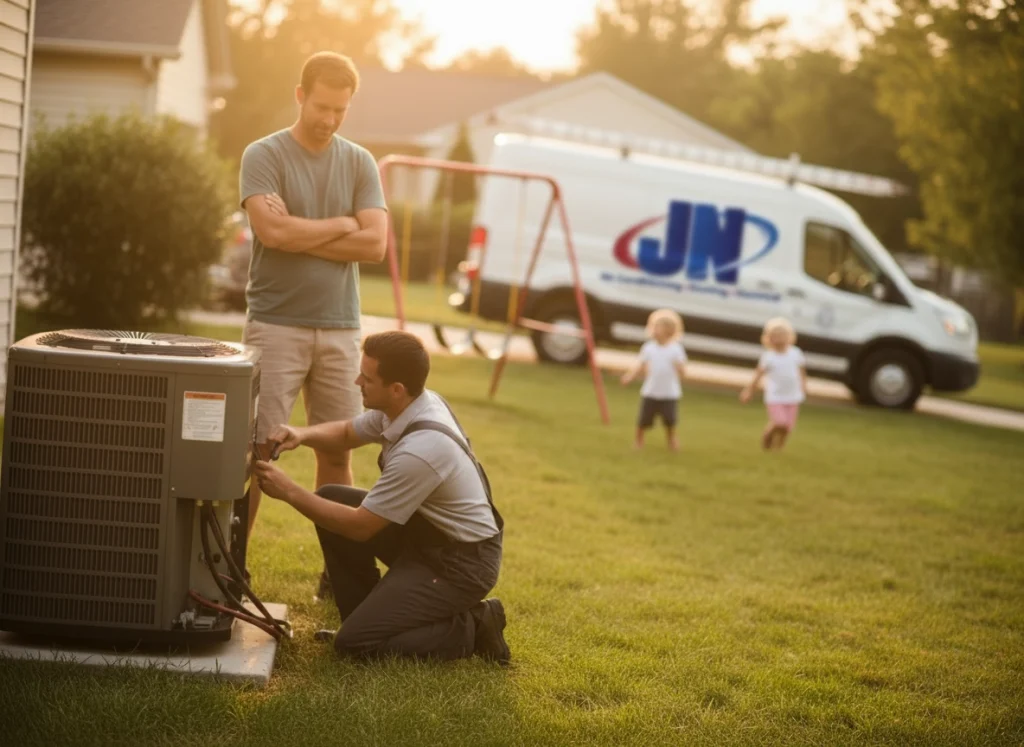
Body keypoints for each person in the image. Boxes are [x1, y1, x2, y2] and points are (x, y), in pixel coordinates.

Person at [252, 331, 510, 664]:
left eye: (367, 378)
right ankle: (367, 620)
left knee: (354, 645)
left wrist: (289, 491)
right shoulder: (408, 406)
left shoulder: (422, 450)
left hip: (461, 564)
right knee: (332, 496)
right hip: (428, 537)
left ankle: (474, 624)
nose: (357, 381)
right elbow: (347, 433)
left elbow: (361, 527)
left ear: (396, 389)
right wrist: (299, 434)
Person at [239, 51, 387, 597]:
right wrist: (342, 223)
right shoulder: (264, 154)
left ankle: (339, 572)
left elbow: (375, 244)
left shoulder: (359, 162)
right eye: (322, 106)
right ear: (300, 95)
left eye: (340, 111)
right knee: (257, 449)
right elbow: (271, 236)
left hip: (341, 326)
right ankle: (235, 564)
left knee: (337, 450)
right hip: (275, 325)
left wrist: (303, 228)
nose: (329, 120)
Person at [620, 309, 688, 451]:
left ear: (669, 331)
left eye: (658, 327)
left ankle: (672, 440)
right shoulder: (649, 348)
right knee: (643, 420)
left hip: (669, 393)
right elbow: (640, 366)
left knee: (670, 420)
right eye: (654, 326)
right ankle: (638, 441)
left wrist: (680, 369)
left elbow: (682, 370)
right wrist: (629, 377)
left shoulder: (676, 349)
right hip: (650, 391)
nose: (654, 330)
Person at [740, 317, 807, 450]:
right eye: (775, 336)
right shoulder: (768, 357)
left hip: (792, 395)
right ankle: (768, 436)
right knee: (779, 422)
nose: (779, 339)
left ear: (789, 336)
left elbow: (801, 372)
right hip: (775, 396)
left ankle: (779, 446)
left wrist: (804, 386)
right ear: (768, 338)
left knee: (788, 426)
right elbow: (758, 376)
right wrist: (749, 391)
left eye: (782, 335)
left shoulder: (795, 353)